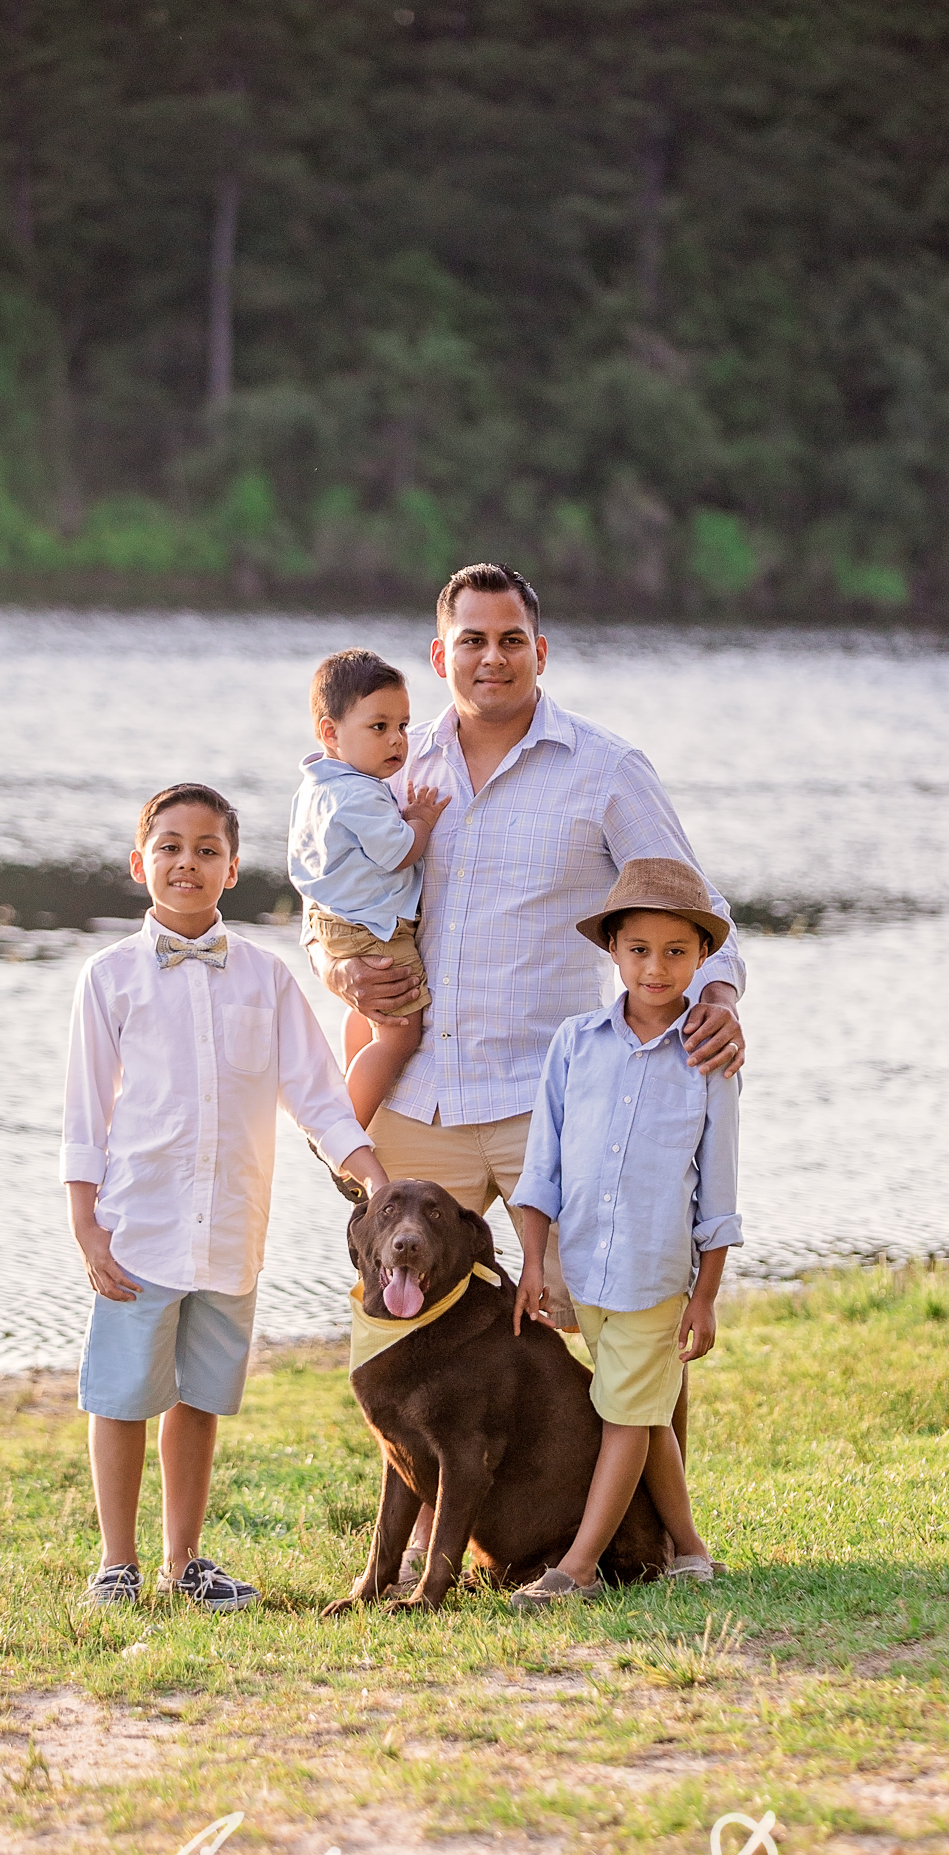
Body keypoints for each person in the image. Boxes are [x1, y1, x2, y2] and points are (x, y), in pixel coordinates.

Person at [305, 561, 747, 1580]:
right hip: (420, 1100)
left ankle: (653, 1537)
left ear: (539, 652)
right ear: (440, 653)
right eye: (472, 640)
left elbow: (696, 906)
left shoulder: (604, 769)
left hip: (559, 1104)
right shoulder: (389, 765)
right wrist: (333, 962)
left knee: (619, 1317)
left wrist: (717, 998)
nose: (491, 656)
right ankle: (429, 1540)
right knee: (407, 1316)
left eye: (511, 639)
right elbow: (324, 895)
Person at [61, 781, 385, 1609]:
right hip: (140, 1225)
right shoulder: (109, 978)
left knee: (199, 1397)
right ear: (141, 863)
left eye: (207, 850)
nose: (187, 863)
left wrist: (371, 1174)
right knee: (125, 1394)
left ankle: (185, 1559)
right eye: (170, 847)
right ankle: (117, 1563)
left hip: (232, 1227)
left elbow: (316, 1093)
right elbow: (84, 1113)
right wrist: (85, 1226)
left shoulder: (267, 980)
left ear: (232, 868)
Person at [507, 859, 743, 1608]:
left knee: (621, 1416)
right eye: (638, 949)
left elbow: (720, 1192)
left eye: (676, 951)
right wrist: (534, 1264)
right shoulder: (574, 1044)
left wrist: (703, 1299)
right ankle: (692, 1551)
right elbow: (541, 1165)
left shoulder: (708, 1060)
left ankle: (576, 1568)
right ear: (612, 951)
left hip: (653, 1274)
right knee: (638, 1410)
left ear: (702, 959)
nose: (655, 966)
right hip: (583, 1272)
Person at [288, 648, 450, 1139]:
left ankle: (344, 1098)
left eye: (402, 725)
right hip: (373, 929)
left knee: (366, 1011)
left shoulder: (317, 785)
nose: (397, 740)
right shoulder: (359, 793)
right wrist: (419, 820)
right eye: (378, 727)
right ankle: (343, 1133)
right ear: (330, 732)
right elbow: (399, 853)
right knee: (401, 1032)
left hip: (333, 920)